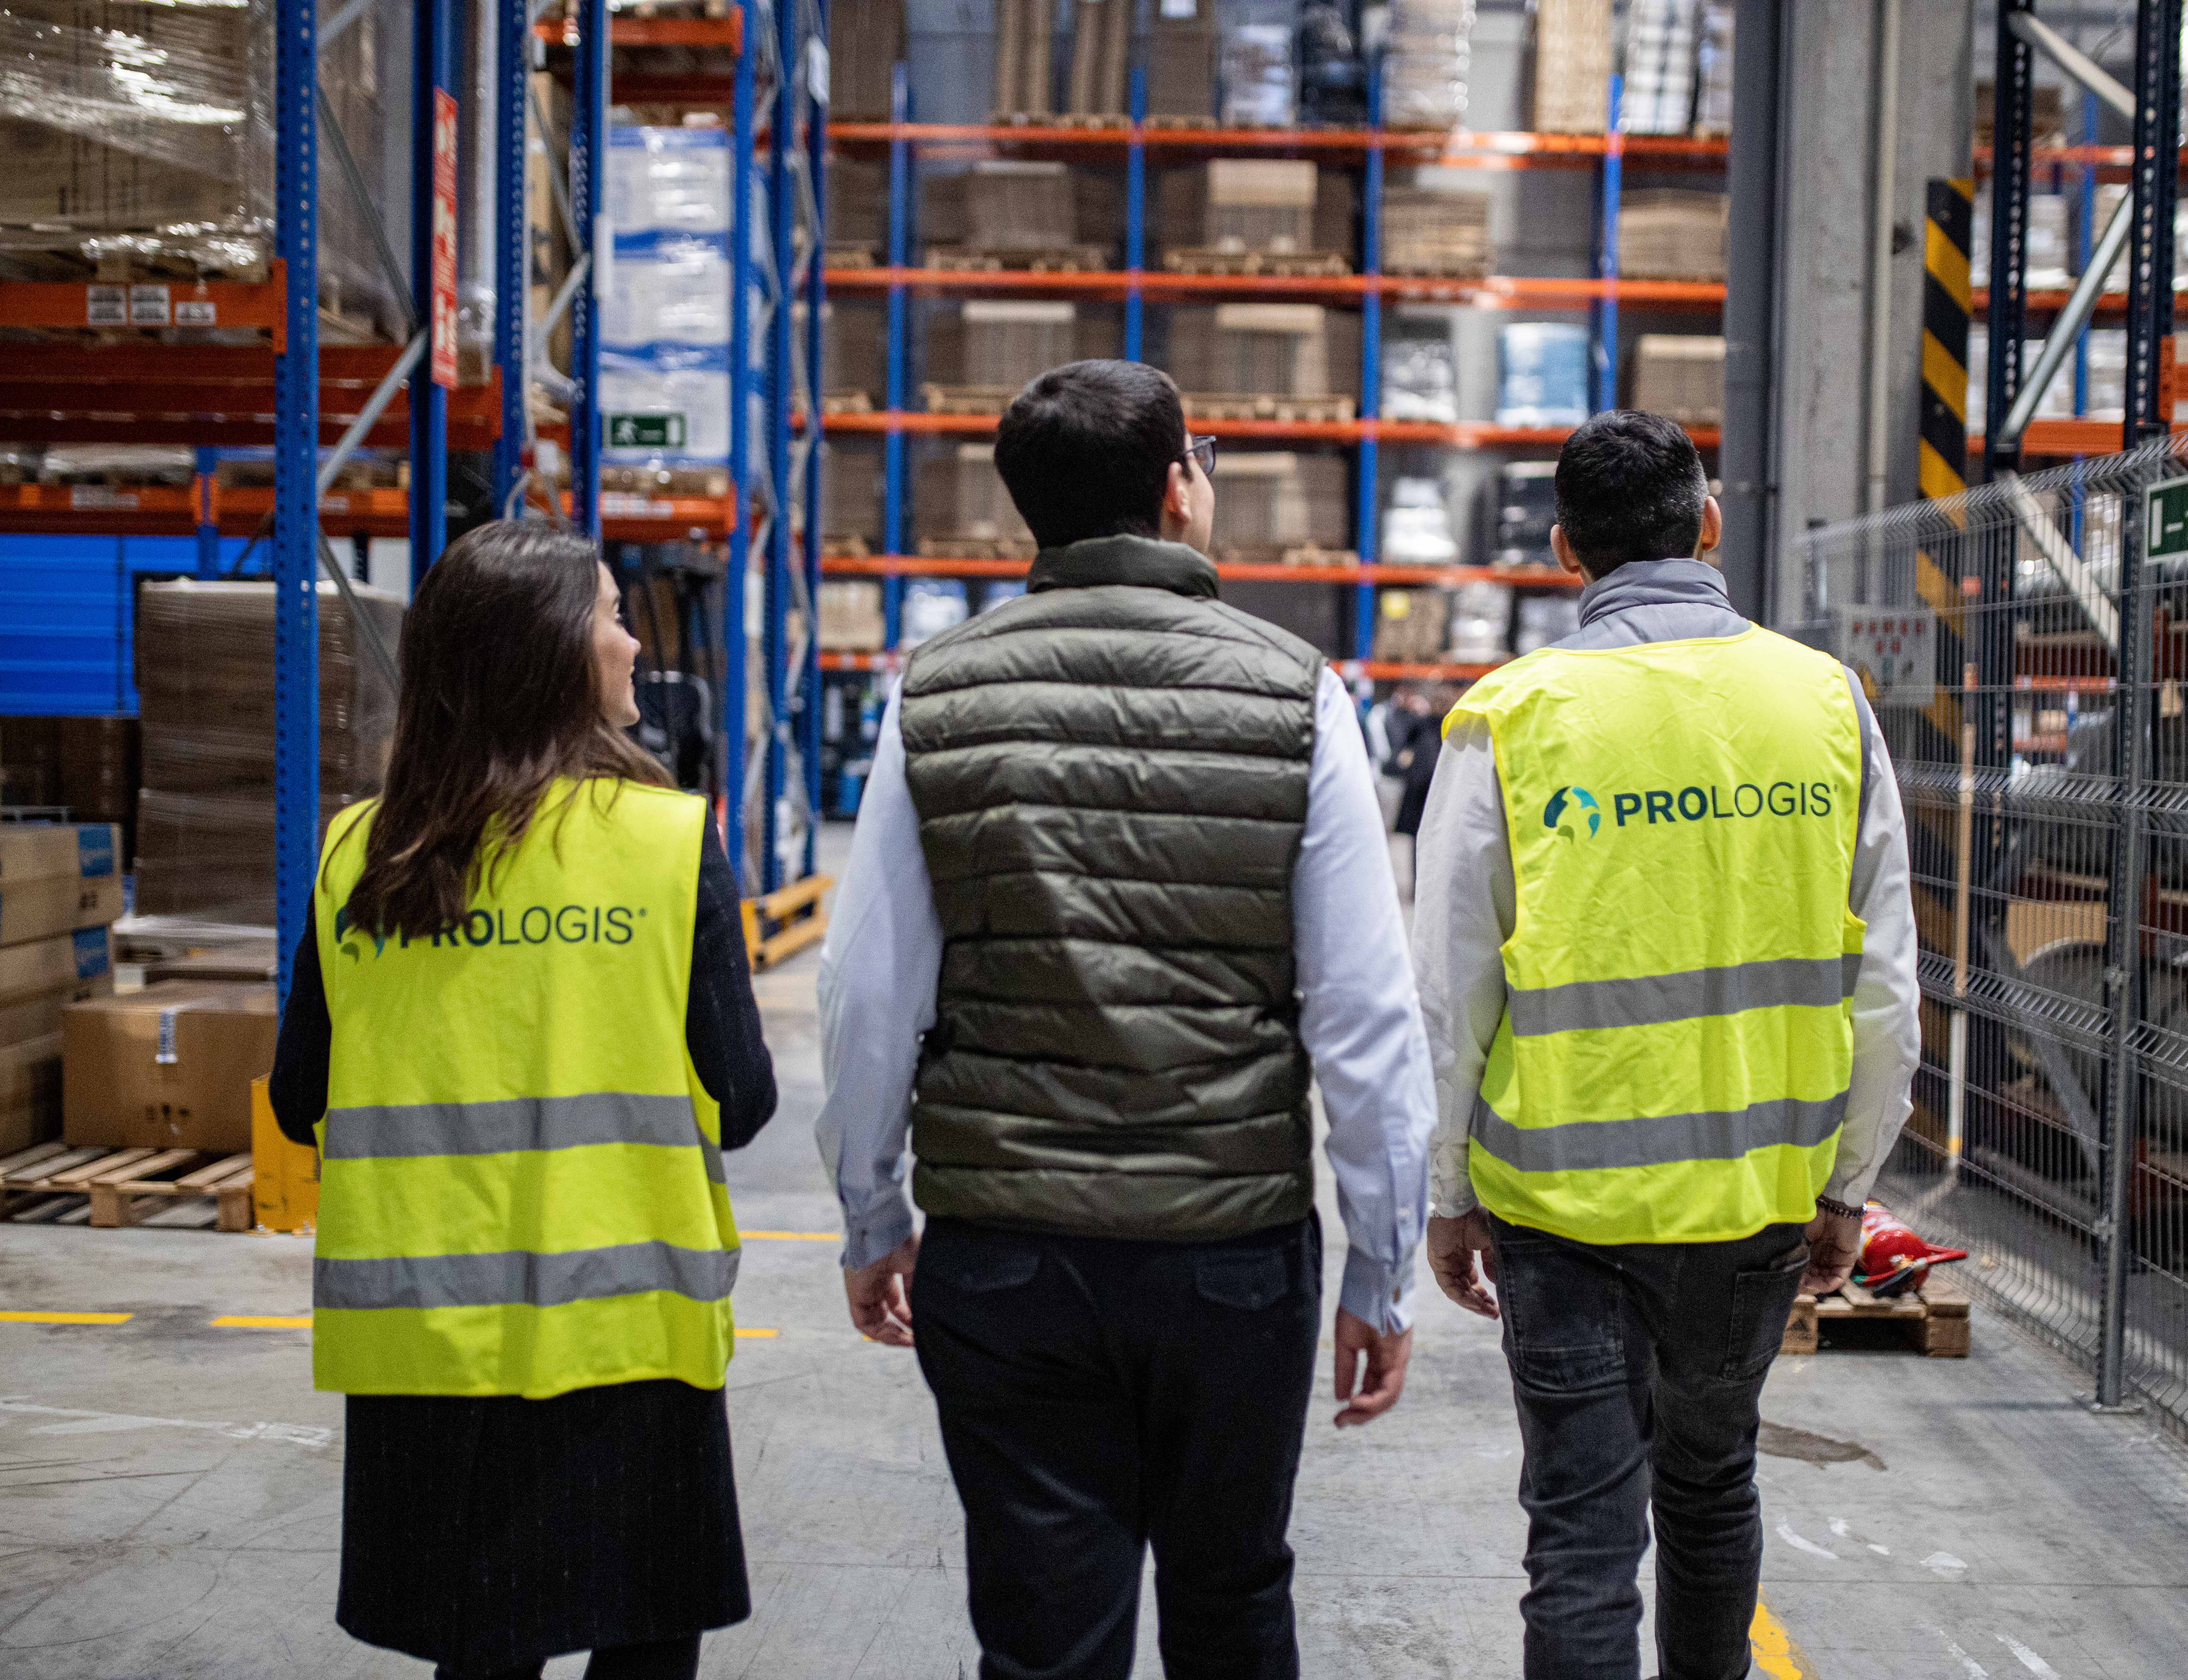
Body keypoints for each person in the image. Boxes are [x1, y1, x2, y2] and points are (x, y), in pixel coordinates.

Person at [816, 358, 1437, 1680]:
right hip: (1230, 1258)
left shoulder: (939, 693)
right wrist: (1380, 1266)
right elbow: (1367, 1018)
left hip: (1008, 1255)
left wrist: (874, 1216)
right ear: (1177, 489)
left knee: (1047, 1635)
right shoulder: (1297, 691)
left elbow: (870, 992)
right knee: (1230, 1607)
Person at [1411, 412, 1920, 1680]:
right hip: (1755, 1207)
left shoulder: (1509, 717)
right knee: (1711, 1488)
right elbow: (1890, 992)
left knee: (1583, 1532)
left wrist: (1445, 1191)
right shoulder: (1827, 704)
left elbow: (1448, 990)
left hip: (1560, 1210)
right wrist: (1850, 1188)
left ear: (1563, 549)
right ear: (1707, 522)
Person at [269, 519, 777, 1680]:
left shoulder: (358, 852)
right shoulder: (663, 844)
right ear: (550, 652)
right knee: (643, 1639)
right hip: (626, 1336)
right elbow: (741, 1100)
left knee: (481, 1647)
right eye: (610, 614)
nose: (634, 643)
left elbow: (303, 1102)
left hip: (428, 1348)